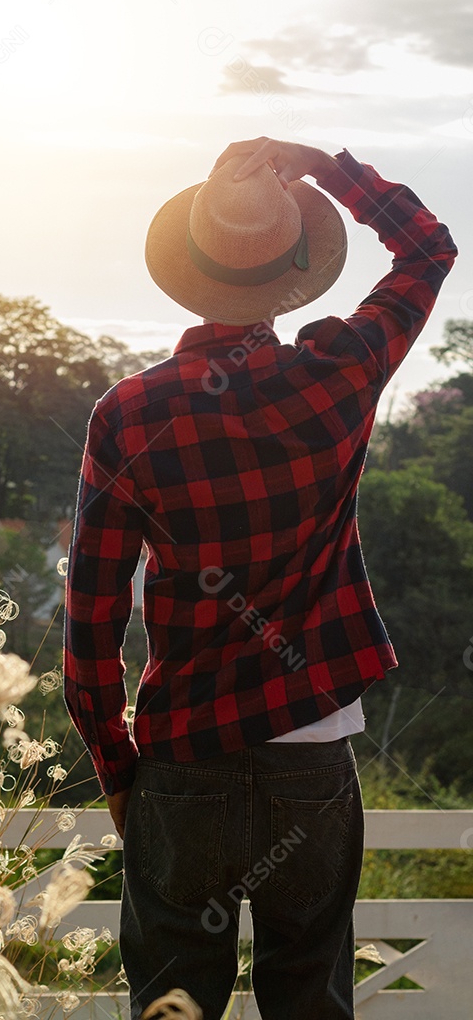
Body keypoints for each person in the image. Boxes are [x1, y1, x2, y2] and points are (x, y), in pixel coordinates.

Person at [62, 136, 457, 1019]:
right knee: (311, 997)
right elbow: (430, 246)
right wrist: (323, 165)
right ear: (294, 268)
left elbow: (90, 626)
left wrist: (118, 769)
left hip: (181, 759)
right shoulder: (341, 372)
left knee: (171, 1006)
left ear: (189, 267)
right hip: (311, 754)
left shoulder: (129, 413)